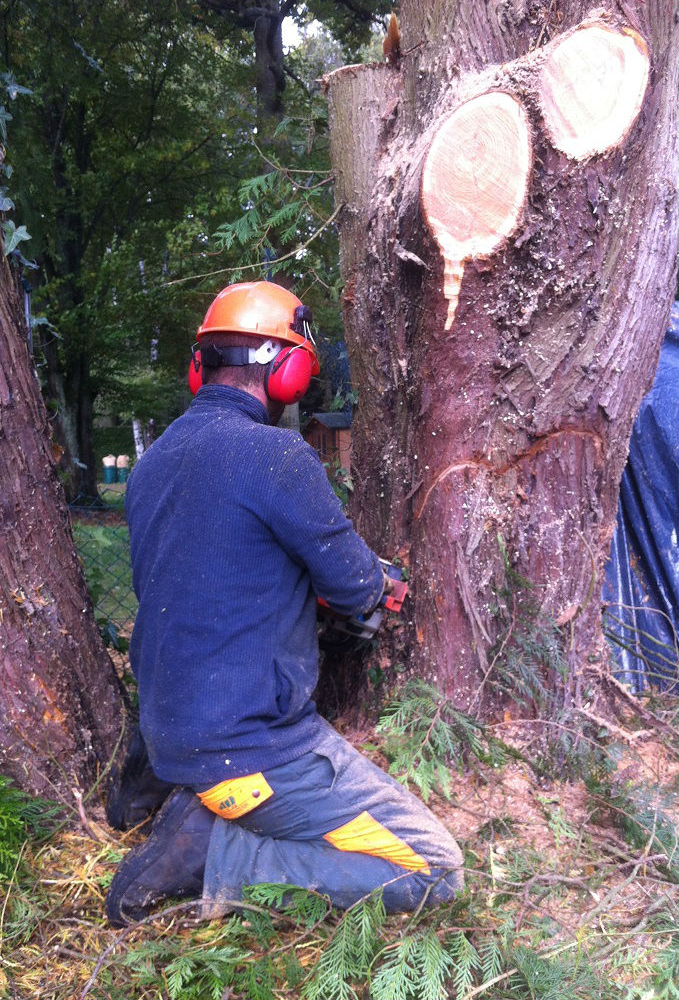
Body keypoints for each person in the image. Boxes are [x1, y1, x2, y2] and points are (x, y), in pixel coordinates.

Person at [105, 280, 463, 926]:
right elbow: (357, 589)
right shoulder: (276, 456)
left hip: (169, 729)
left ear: (200, 366)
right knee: (434, 866)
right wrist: (381, 581)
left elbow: (208, 575)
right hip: (252, 750)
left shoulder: (151, 465)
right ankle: (220, 855)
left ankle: (169, 794)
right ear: (287, 368)